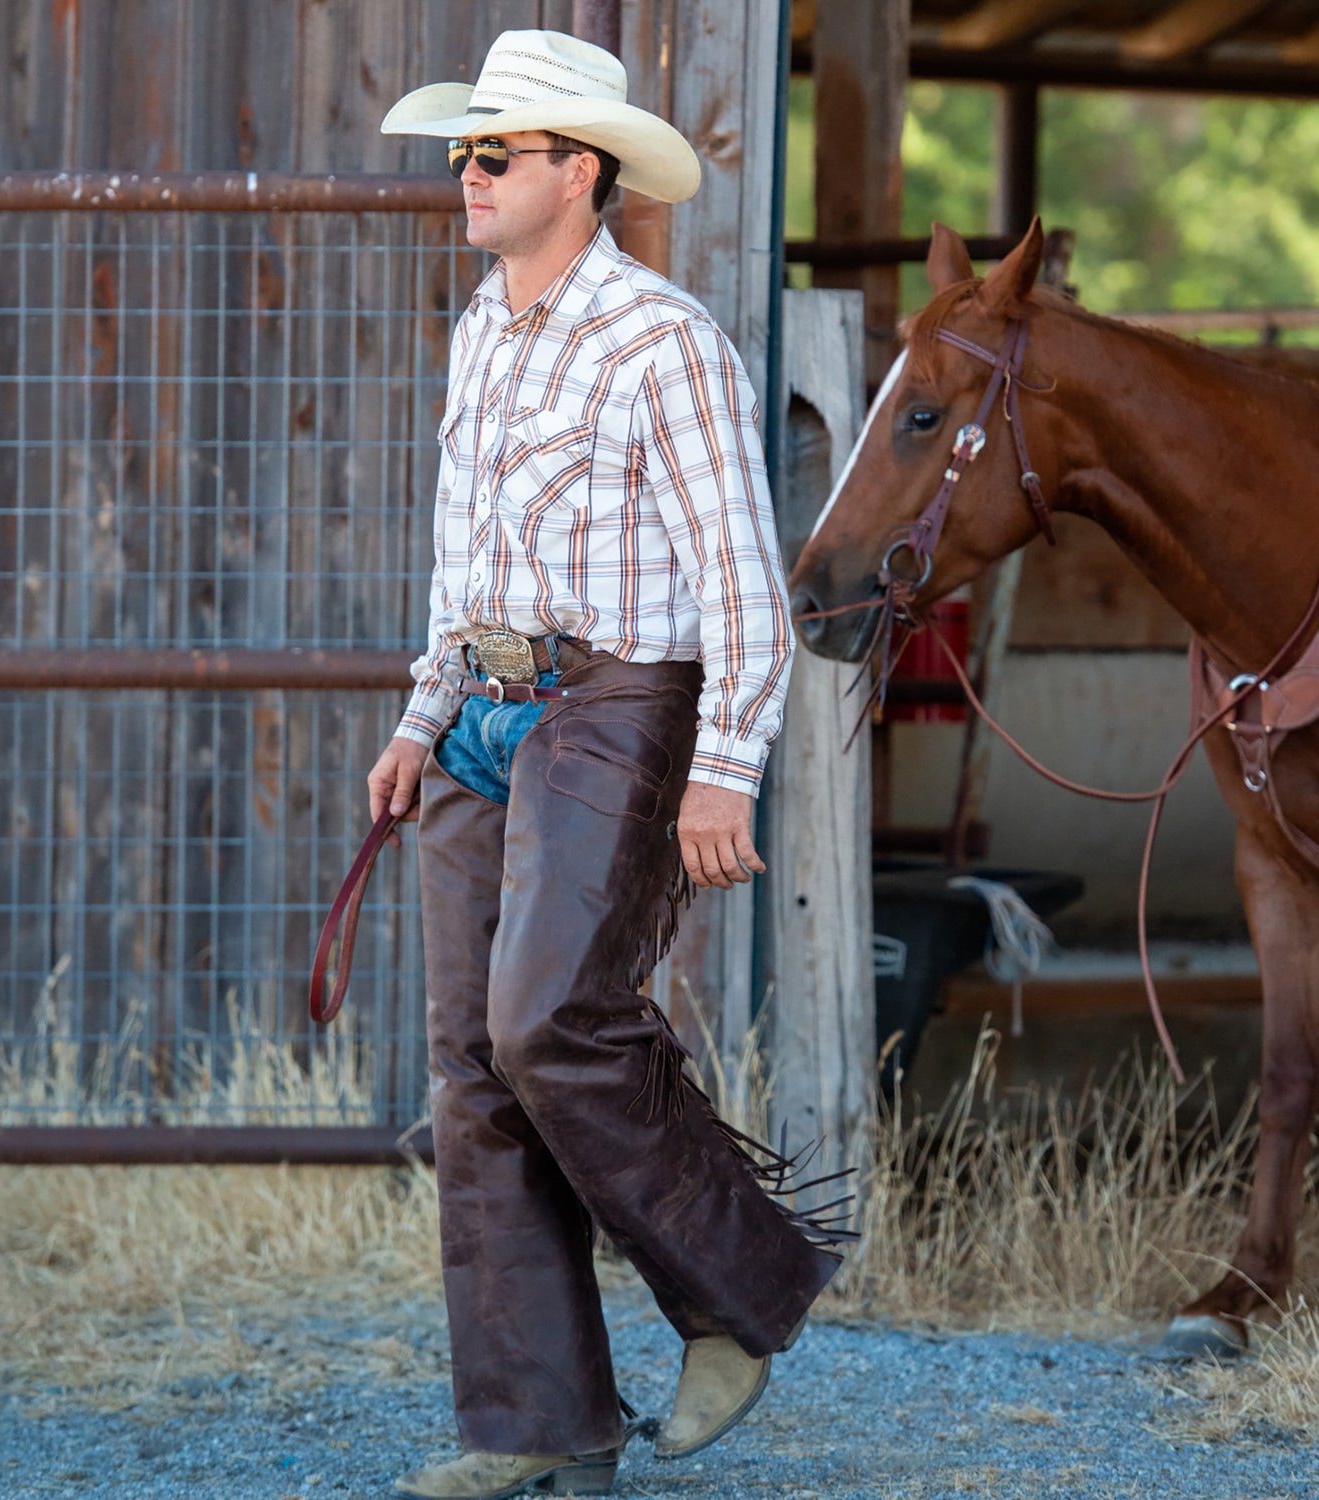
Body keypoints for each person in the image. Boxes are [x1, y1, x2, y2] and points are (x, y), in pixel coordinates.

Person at [370, 30, 848, 1500]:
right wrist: (417, 715)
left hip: (618, 702)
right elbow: (467, 565)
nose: (468, 176)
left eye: (493, 154)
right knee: (470, 1070)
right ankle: (537, 1428)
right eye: (464, 153)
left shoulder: (664, 340)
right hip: (485, 710)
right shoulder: (482, 331)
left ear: (578, 173)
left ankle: (735, 1290)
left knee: (546, 1020)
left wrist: (725, 770)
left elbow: (742, 586)